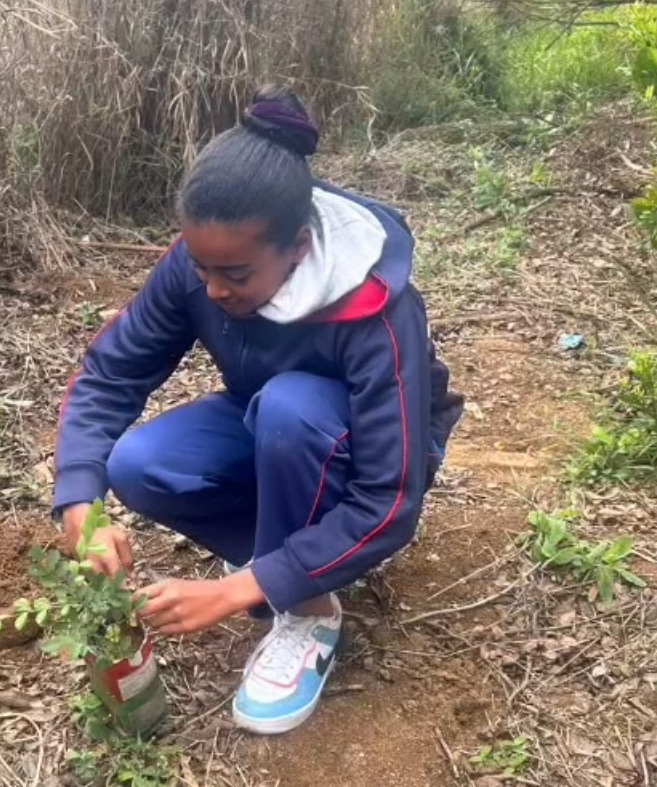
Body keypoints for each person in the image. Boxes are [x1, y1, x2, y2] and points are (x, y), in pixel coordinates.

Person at [52, 86, 463, 735]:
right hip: (267, 420)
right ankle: (287, 553)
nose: (213, 290)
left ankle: (308, 608)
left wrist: (236, 591)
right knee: (137, 462)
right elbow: (111, 371)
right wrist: (80, 497)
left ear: (297, 247)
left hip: (353, 448)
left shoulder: (376, 308)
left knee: (292, 407)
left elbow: (389, 498)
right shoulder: (207, 264)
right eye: (200, 265)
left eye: (236, 275)